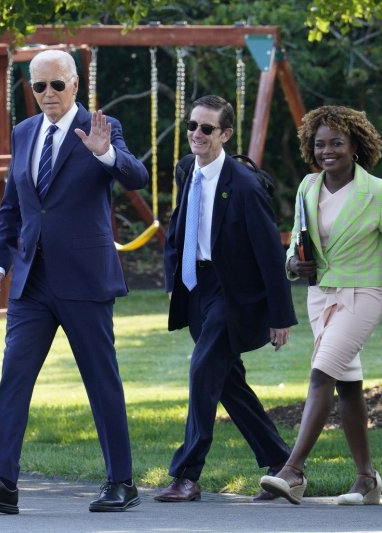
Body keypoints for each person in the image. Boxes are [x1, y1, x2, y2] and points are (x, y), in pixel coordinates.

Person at [0, 49, 149, 514]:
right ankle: (0, 482)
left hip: (84, 280)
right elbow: (13, 207)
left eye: (56, 85)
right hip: (31, 283)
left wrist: (104, 153)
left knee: (102, 381)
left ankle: (121, 482)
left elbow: (136, 176)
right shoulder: (24, 132)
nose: (46, 94)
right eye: (38, 86)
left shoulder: (103, 127)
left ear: (75, 85)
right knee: (13, 378)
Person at [259, 105, 382, 505]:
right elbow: (296, 245)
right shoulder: (308, 186)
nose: (328, 151)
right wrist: (292, 263)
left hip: (363, 297)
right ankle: (366, 479)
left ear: (355, 145)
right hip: (320, 297)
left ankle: (293, 470)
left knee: (321, 373)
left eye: (337, 143)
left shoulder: (379, 192)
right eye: (320, 144)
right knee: (349, 387)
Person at [155, 95, 297, 503]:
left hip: (235, 293)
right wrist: (173, 281)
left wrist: (279, 315)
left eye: (206, 128)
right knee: (228, 383)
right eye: (191, 126)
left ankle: (186, 474)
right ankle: (282, 462)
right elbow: (178, 227)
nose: (196, 135)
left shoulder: (246, 186)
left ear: (226, 134)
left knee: (202, 372)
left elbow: (270, 254)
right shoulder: (187, 170)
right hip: (197, 287)